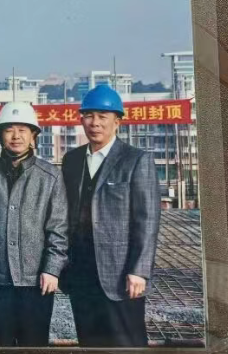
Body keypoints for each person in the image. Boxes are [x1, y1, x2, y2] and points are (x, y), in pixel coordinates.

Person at [60, 85, 161, 347]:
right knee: (89, 341)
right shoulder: (72, 160)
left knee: (126, 342)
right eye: (89, 116)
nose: (95, 123)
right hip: (81, 273)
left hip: (120, 274)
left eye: (102, 116)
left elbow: (147, 220)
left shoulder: (135, 160)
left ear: (117, 121)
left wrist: (139, 271)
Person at [0, 102, 68, 347]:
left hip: (37, 281)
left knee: (34, 343)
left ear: (33, 136)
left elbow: (59, 229)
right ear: (0, 135)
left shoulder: (50, 176)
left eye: (23, 130)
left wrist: (52, 269)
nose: (16, 136)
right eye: (9, 130)